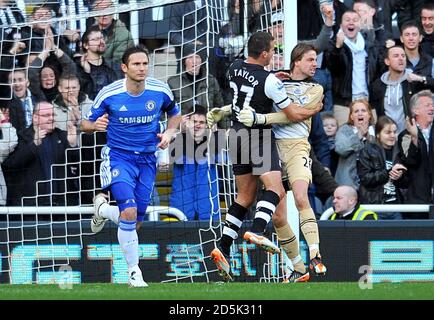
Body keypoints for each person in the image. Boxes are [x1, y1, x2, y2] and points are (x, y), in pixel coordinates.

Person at [208, 33, 322, 283]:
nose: (274, 53)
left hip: (234, 134)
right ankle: (257, 230)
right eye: (272, 50)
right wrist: (313, 110)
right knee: (275, 189)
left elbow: (246, 96)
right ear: (264, 54)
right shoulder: (270, 81)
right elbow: (291, 114)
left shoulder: (234, 68)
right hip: (257, 136)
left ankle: (224, 245)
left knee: (245, 196)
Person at [81, 45, 182, 287]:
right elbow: (85, 123)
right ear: (124, 68)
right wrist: (93, 126)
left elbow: (175, 114)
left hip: (148, 160)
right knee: (128, 212)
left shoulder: (160, 90)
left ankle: (103, 211)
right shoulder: (110, 93)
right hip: (119, 158)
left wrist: (169, 132)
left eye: (145, 63)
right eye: (136, 64)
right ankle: (134, 272)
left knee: (134, 220)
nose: (142, 68)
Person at [237, 42, 327, 277]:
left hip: (298, 148)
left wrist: (260, 119)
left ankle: (315, 254)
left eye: (315, 60)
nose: (314, 64)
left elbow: (292, 116)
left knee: (300, 196)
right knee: (278, 216)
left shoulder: (316, 88)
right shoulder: (276, 83)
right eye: (310, 59)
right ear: (296, 60)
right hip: (273, 148)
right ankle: (298, 267)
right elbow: (258, 100)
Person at [1, 101, 77, 206]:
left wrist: (72, 144)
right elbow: (10, 166)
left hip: (61, 207)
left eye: (53, 114)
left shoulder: (62, 135)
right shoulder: (21, 137)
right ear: (35, 118)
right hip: (31, 208)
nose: (51, 118)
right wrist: (34, 145)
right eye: (46, 115)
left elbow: (77, 164)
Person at [323, 9, 379, 127]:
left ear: (360, 24)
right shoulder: (333, 44)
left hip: (367, 100)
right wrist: (338, 47)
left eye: (355, 20)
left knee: (370, 139)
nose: (351, 23)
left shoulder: (370, 46)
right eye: (347, 20)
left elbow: (376, 73)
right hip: (344, 102)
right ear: (341, 25)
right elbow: (332, 67)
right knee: (345, 139)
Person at [169, 105, 220, 221]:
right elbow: (171, 155)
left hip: (208, 209)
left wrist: (214, 132)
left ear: (207, 125)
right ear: (187, 123)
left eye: (201, 122)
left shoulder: (214, 142)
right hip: (181, 207)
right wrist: (181, 131)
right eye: (194, 121)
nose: (197, 125)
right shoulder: (178, 140)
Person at [357, 116, 407, 219]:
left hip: (396, 206)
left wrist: (400, 177)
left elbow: (407, 182)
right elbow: (365, 178)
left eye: (394, 132)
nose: (393, 135)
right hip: (375, 206)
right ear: (378, 134)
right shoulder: (367, 151)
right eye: (388, 132)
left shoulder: (400, 151)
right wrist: (388, 173)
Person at [398, 89, 434, 218]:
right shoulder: (405, 135)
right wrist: (414, 137)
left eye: (433, 105)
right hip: (418, 200)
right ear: (415, 110)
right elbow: (410, 160)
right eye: (427, 105)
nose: (432, 108)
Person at [369, 45, 414, 134]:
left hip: (408, 135)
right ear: (387, 61)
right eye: (396, 56)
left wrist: (422, 79)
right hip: (386, 135)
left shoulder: (413, 81)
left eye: (403, 56)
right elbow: (373, 109)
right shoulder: (378, 84)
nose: (401, 59)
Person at [334, 99, 376, 189]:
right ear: (351, 116)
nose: (360, 114)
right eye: (356, 111)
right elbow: (340, 149)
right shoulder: (344, 130)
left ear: (369, 115)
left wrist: (369, 138)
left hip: (372, 182)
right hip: (348, 182)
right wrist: (359, 135)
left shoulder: (376, 130)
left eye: (363, 111)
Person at [91, 0, 135, 65]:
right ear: (95, 15)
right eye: (100, 10)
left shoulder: (124, 35)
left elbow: (118, 63)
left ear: (113, 12)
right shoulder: (90, 32)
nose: (104, 14)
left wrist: (93, 61)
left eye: (108, 10)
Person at [321, 112, 339, 176]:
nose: (329, 127)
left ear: (337, 128)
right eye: (325, 125)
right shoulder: (318, 143)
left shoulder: (338, 142)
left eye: (333, 125)